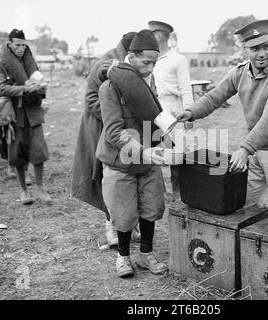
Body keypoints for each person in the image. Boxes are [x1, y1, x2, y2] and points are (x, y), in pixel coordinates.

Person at [177, 19, 268, 210]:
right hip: (255, 148)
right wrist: (191, 112)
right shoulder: (239, 72)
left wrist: (244, 149)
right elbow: (214, 97)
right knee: (244, 203)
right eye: (255, 49)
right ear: (245, 49)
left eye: (266, 47)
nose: (262, 54)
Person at [96, 29, 168, 278]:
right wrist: (143, 152)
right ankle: (123, 257)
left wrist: (165, 140)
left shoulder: (148, 83)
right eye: (145, 62)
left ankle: (146, 255)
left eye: (154, 63)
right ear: (132, 57)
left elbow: (154, 119)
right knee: (124, 214)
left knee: (151, 207)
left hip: (148, 161)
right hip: (121, 162)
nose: (150, 68)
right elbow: (114, 132)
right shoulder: (110, 88)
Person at [71, 32, 137, 247]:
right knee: (105, 176)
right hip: (100, 129)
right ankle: (111, 224)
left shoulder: (135, 65)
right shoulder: (105, 63)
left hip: (125, 128)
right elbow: (91, 99)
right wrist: (115, 114)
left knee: (129, 173)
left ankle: (129, 224)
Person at [0, 29, 51, 205]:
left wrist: (41, 88)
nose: (21, 49)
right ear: (9, 44)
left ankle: (40, 188)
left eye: (24, 46)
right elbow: (1, 88)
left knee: (38, 149)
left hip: (33, 112)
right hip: (13, 114)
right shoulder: (0, 64)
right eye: (17, 45)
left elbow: (38, 81)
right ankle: (23, 190)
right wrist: (25, 89)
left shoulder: (29, 63)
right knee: (17, 152)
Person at [148, 20, 194, 201]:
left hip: (172, 109)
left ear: (161, 35)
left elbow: (185, 89)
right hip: (152, 107)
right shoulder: (149, 59)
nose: (151, 36)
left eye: (153, 33)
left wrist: (190, 114)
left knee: (176, 153)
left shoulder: (177, 59)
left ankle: (178, 191)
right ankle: (155, 191)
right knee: (150, 149)